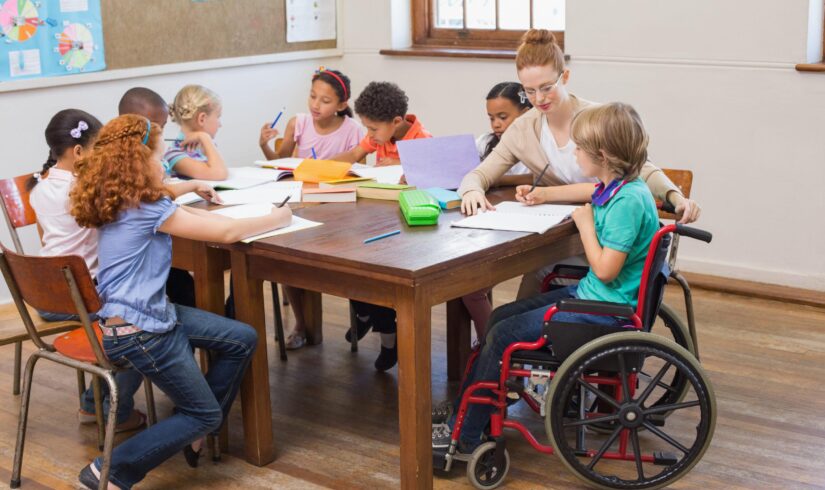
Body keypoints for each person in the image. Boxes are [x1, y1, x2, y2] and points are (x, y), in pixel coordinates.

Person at [71, 114, 291, 489]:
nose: (162, 164)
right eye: (158, 157)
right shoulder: (148, 208)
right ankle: (110, 470)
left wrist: (190, 187)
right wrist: (278, 216)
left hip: (133, 319)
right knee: (205, 414)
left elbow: (161, 196)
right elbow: (225, 231)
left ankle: (194, 427)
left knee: (242, 338)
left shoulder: (116, 196)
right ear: (139, 162)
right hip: (143, 332)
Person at [433, 102, 661, 458]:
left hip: (606, 311)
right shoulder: (619, 186)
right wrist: (545, 194)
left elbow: (604, 269)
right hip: (599, 299)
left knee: (504, 335)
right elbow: (586, 193)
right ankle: (471, 410)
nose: (574, 152)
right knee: (499, 318)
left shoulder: (627, 203)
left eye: (579, 147)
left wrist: (585, 225)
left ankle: (466, 435)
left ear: (600, 155)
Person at [457, 29, 701, 299]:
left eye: (547, 87)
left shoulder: (597, 120)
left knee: (534, 280)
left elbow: (642, 168)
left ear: (566, 77)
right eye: (530, 91)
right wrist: (472, 191)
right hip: (565, 235)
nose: (539, 99)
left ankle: (522, 335)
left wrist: (674, 196)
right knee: (527, 279)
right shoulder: (523, 129)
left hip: (607, 240)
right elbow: (479, 174)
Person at [258, 68, 363, 349]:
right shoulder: (299, 123)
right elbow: (280, 164)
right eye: (312, 96)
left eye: (325, 101)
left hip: (338, 210)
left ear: (342, 105)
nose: (316, 105)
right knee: (289, 259)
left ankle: (361, 314)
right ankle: (301, 324)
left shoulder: (352, 129)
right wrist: (264, 145)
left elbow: (358, 171)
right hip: (302, 205)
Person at [331, 81, 432, 370]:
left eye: (373, 129)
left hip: (407, 230)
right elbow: (352, 156)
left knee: (380, 281)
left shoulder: (421, 141)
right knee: (348, 262)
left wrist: (404, 175)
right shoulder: (377, 135)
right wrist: (316, 168)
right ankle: (364, 316)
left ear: (396, 122)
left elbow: (430, 184)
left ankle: (388, 342)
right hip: (376, 217)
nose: (369, 136)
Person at [164, 84, 228, 180]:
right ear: (202, 119)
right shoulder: (175, 155)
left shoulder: (204, 146)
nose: (220, 124)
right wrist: (205, 138)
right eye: (218, 117)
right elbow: (219, 174)